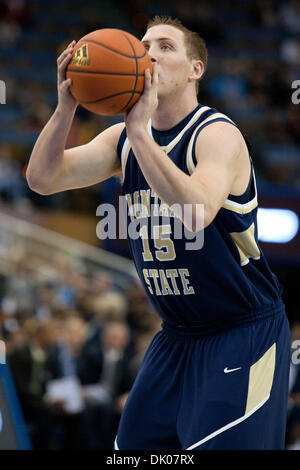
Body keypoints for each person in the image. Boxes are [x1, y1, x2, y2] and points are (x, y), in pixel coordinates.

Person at [26, 16, 291, 450]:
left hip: (241, 333)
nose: (149, 53)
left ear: (195, 69)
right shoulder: (123, 140)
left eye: (165, 47)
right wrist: (66, 106)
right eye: (144, 44)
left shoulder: (217, 134)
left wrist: (140, 134)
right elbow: (42, 178)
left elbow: (197, 212)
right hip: (176, 335)